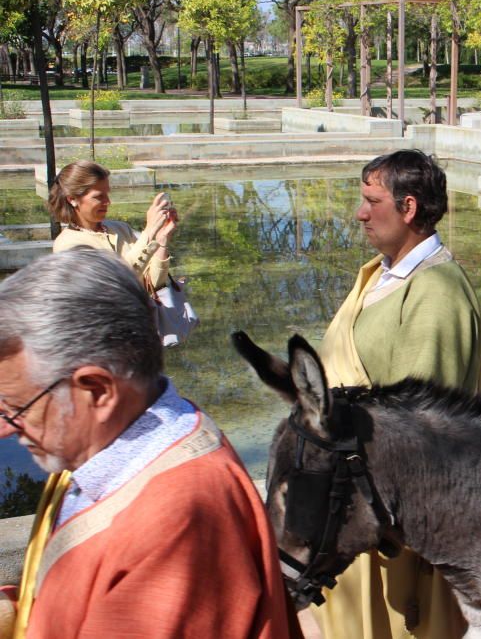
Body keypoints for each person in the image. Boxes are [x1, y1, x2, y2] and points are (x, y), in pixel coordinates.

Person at [0, 248, 301, 639]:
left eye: (15, 406)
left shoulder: (176, 523)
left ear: (97, 391)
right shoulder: (100, 450)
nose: (6, 428)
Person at [311, 149, 481, 639]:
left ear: (408, 208)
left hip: (385, 512)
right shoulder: (385, 273)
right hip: (353, 493)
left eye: (371, 201)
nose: (360, 212)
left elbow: (421, 430)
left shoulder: (435, 294)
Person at [49, 160, 176, 290]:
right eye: (99, 197)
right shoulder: (68, 244)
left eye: (107, 194)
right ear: (73, 200)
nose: (108, 202)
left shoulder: (121, 229)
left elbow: (153, 286)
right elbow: (114, 284)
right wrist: (149, 233)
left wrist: (161, 240)